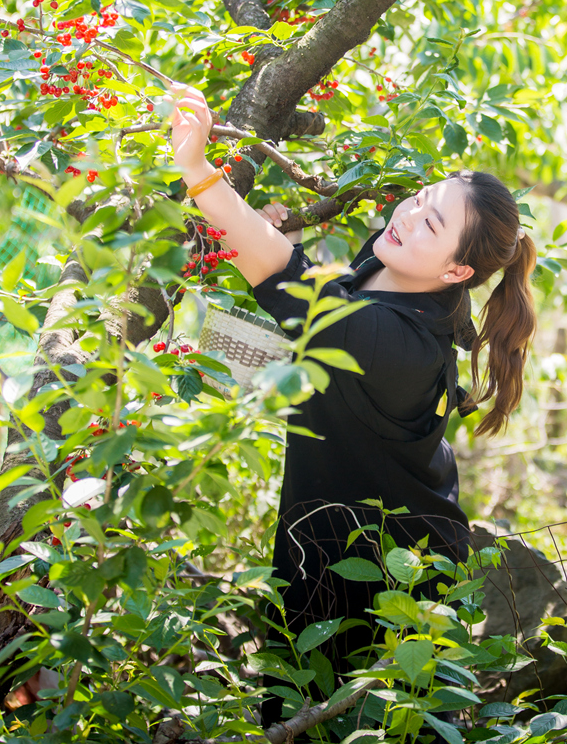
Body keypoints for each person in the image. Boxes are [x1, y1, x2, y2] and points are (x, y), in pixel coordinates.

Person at [169, 86, 537, 718]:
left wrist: (199, 170)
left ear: (457, 273)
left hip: (387, 565)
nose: (407, 216)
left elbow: (285, 276)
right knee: (297, 695)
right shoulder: (390, 262)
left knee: (355, 715)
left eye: (431, 224)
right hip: (331, 522)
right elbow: (309, 287)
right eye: (420, 200)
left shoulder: (399, 343)